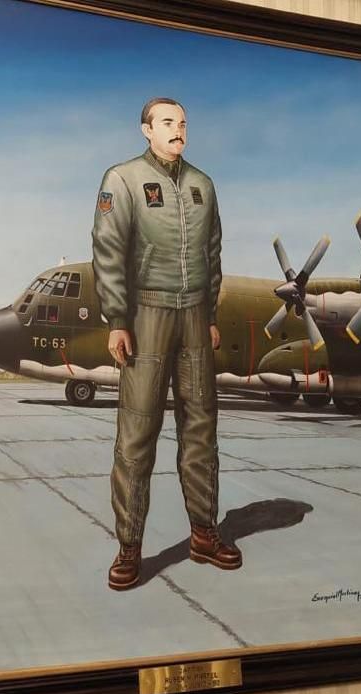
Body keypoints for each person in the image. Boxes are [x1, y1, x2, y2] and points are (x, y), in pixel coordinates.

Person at [92, 97, 242, 590]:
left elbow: (213, 253)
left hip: (195, 316)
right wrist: (118, 319)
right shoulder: (123, 179)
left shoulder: (203, 184)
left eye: (183, 123)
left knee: (201, 429)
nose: (178, 130)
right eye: (168, 122)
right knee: (137, 434)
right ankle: (129, 547)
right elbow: (108, 250)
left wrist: (210, 315)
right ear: (146, 129)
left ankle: (203, 534)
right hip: (147, 315)